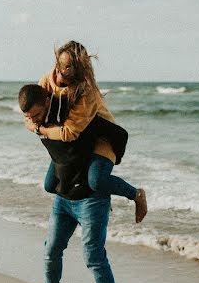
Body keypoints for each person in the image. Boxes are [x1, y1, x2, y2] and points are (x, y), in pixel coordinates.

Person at [18, 83, 123, 283]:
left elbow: (82, 98)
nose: (32, 121)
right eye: (28, 116)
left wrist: (41, 127)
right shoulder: (40, 117)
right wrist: (33, 123)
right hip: (65, 197)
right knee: (51, 249)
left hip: (91, 199)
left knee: (94, 257)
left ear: (47, 101)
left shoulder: (73, 113)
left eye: (35, 114)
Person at [34, 41, 147, 223]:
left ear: (79, 70)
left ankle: (136, 194)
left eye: (68, 69)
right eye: (60, 66)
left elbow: (69, 132)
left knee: (96, 182)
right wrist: (31, 122)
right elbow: (32, 106)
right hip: (77, 144)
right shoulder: (47, 80)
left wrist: (41, 129)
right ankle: (81, 206)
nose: (61, 73)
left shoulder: (87, 91)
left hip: (101, 139)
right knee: (50, 185)